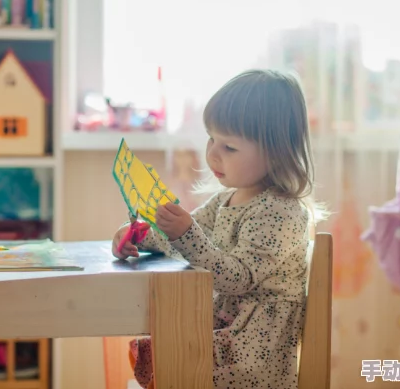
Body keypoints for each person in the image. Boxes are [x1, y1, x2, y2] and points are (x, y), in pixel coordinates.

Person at [112, 69, 326, 389]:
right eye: (212, 138)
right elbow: (185, 239)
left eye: (230, 147)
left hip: (253, 358)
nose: (212, 152)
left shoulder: (282, 212)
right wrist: (142, 236)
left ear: (276, 152)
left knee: (171, 353)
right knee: (164, 343)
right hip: (225, 336)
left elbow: (237, 278)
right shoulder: (225, 199)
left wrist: (185, 233)